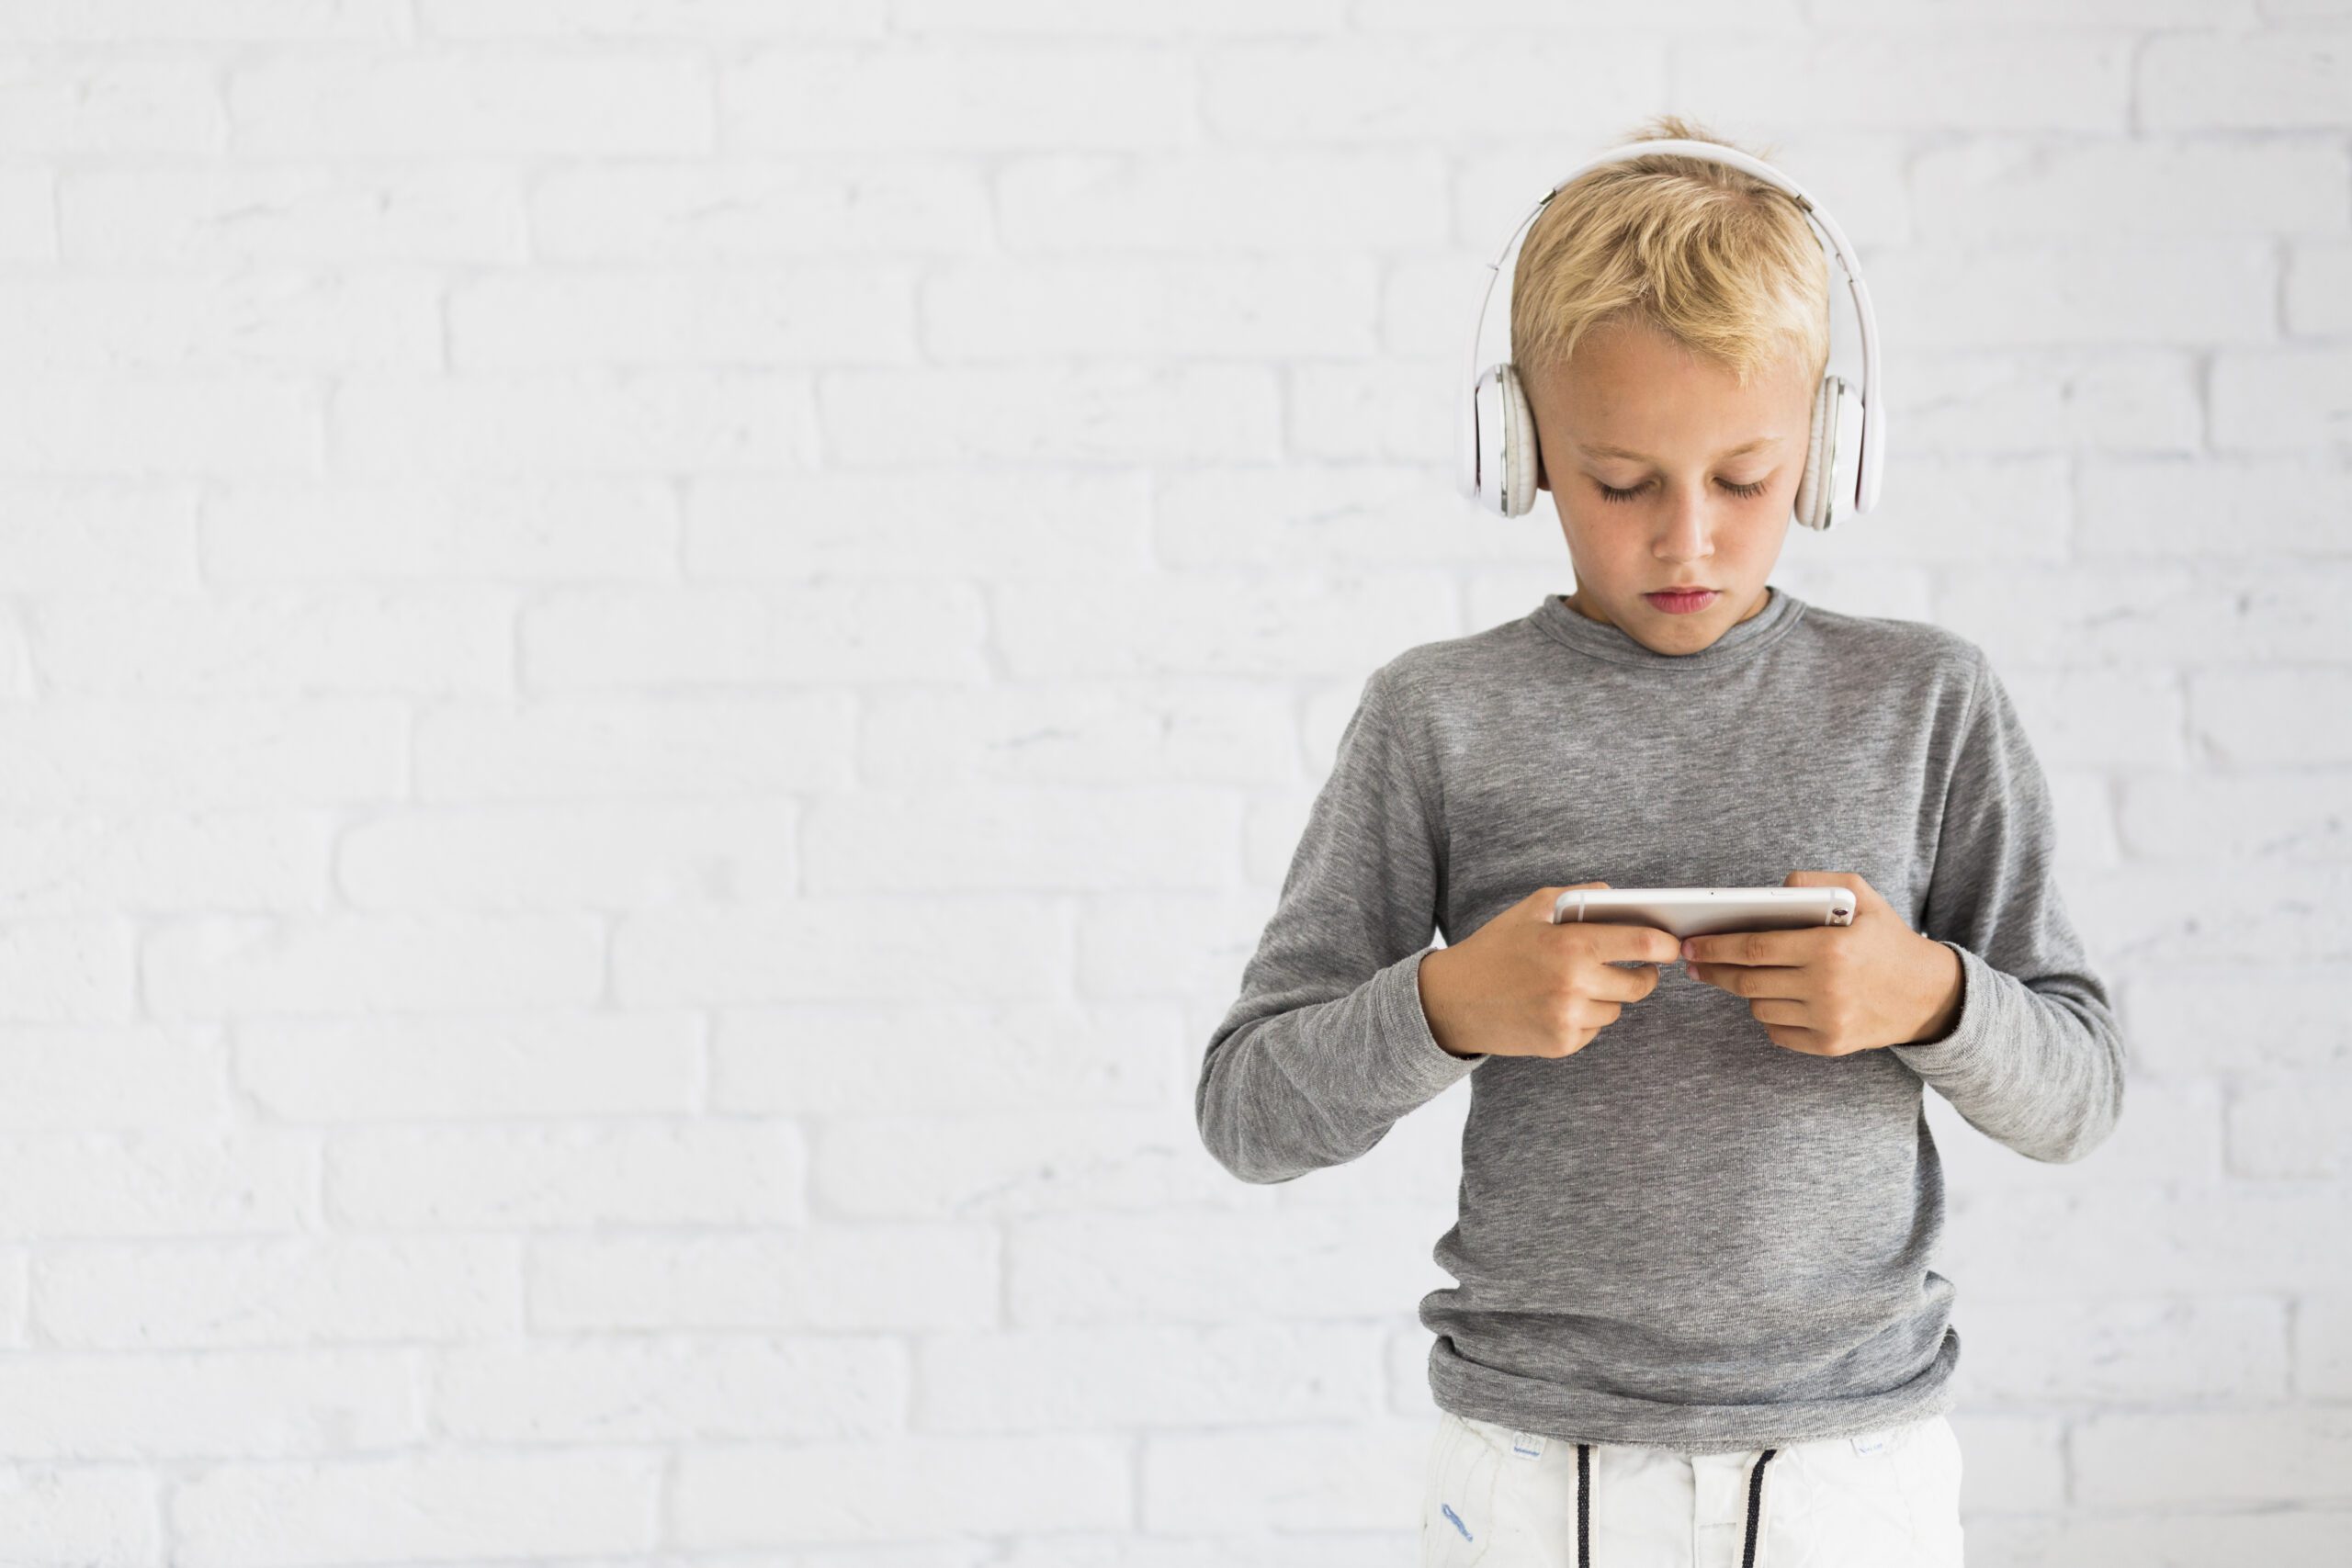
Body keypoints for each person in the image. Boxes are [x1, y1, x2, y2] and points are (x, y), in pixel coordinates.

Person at [1193, 116, 2126, 1568]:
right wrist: (1448, 1007)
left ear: (1830, 448)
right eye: (1622, 484)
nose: (1687, 540)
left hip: (1850, 1475)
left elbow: (2081, 1092)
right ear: (1520, 454)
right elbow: (1249, 1111)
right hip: (1527, 1471)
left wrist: (1929, 1001)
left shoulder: (1927, 702)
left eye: (1744, 480)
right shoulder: (1438, 718)